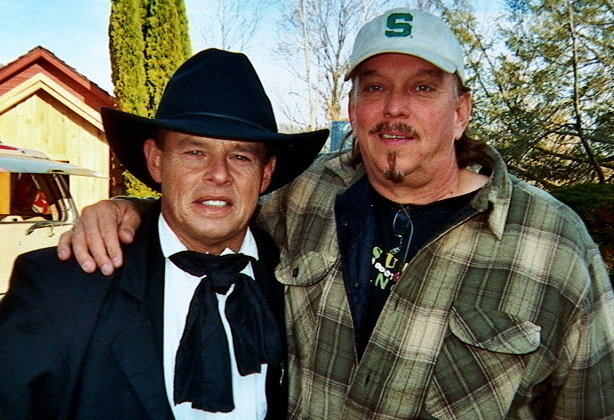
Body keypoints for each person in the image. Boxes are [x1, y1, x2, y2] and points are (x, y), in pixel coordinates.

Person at [57, 8, 614, 419]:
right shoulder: (305, 197)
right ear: (352, 107)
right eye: (375, 87)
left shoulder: (552, 244)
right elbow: (212, 209)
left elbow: (591, 403)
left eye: (423, 87)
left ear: (460, 109)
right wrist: (126, 210)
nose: (395, 108)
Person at [0, 48, 328, 419]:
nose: (218, 175)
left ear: (265, 174)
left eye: (240, 156)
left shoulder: (293, 280)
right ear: (157, 161)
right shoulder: (60, 287)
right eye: (194, 152)